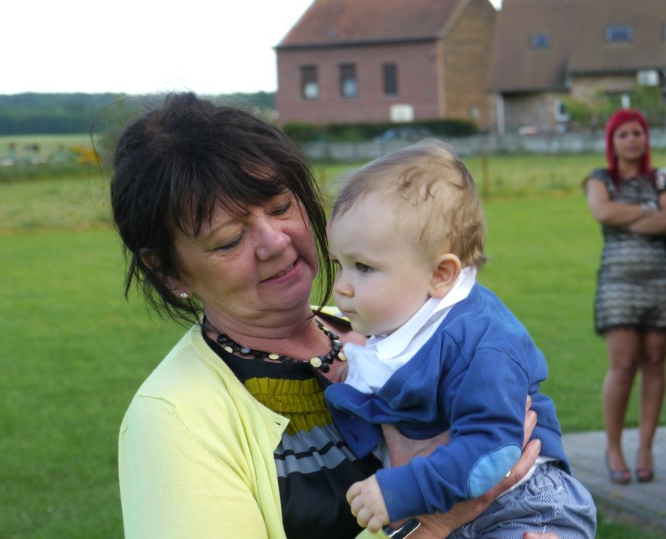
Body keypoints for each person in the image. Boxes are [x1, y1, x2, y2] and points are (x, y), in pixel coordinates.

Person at [111, 92, 557, 539]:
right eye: (229, 239)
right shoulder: (173, 418)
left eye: (281, 207)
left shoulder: (396, 325)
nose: (275, 242)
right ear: (168, 271)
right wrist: (432, 521)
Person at [324, 140, 597, 537]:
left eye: (363, 267)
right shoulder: (400, 325)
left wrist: (399, 490)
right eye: (339, 264)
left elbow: (493, 449)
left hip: (522, 505)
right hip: (452, 508)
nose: (341, 287)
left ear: (441, 274)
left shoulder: (481, 341)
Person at [582, 108, 666, 485]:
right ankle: (614, 448)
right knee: (623, 365)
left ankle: (645, 448)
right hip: (618, 285)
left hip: (661, 282)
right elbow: (602, 211)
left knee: (655, 362)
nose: (631, 140)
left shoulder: (660, 179)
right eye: (623, 134)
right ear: (612, 141)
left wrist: (627, 216)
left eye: (637, 133)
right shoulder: (600, 179)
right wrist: (646, 210)